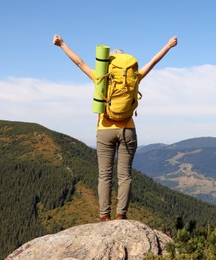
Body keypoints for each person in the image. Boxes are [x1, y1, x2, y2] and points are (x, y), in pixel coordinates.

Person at [53, 34, 178, 221]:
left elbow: (79, 62)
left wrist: (62, 44)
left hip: (104, 130)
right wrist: (168, 46)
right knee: (125, 175)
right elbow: (153, 61)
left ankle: (104, 215)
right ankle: (121, 215)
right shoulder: (134, 77)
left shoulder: (101, 77)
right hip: (128, 129)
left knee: (104, 176)